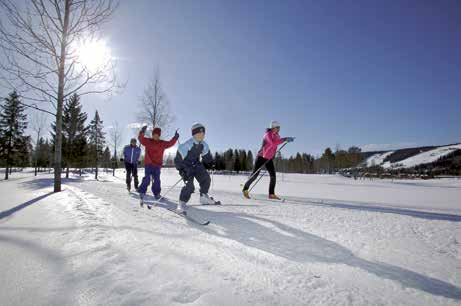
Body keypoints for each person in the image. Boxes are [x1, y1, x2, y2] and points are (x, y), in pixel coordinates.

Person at [242, 121, 294, 200]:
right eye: (277, 127)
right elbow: (273, 143)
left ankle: (271, 194)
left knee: (273, 176)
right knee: (255, 174)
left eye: (279, 127)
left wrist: (284, 141)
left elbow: (275, 146)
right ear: (273, 127)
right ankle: (245, 189)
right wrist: (284, 139)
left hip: (269, 158)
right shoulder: (267, 135)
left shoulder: (277, 136)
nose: (279, 129)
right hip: (261, 157)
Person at [174, 123, 218, 213]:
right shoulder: (186, 145)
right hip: (186, 166)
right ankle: (181, 203)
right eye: (199, 134)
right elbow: (178, 159)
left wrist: (211, 163)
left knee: (206, 178)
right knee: (189, 186)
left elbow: (206, 155)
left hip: (196, 165)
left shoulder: (204, 145)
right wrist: (181, 169)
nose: (201, 136)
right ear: (193, 134)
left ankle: (203, 196)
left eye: (203, 134)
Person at [138, 126, 179, 203]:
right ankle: (142, 191)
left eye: (157, 135)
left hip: (157, 165)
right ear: (152, 135)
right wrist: (142, 132)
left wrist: (175, 138)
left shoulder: (162, 143)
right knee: (147, 178)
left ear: (159, 136)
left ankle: (157, 194)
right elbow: (141, 139)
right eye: (154, 135)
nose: (156, 136)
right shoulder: (148, 141)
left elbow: (170, 143)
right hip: (149, 164)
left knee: (157, 180)